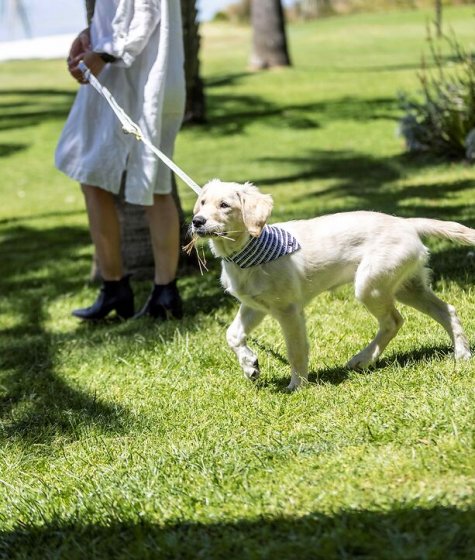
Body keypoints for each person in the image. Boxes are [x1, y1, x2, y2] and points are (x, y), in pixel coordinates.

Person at [55, 0, 185, 321]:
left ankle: (150, 290)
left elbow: (147, 13)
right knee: (103, 176)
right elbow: (124, 13)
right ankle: (136, 290)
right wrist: (92, 34)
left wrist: (102, 54)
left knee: (148, 183)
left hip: (140, 75)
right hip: (134, 72)